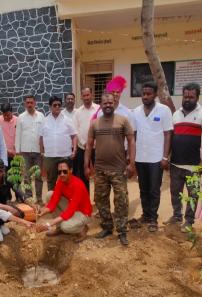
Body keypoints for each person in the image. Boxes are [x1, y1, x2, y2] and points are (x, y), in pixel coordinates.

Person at [85, 93, 136, 246]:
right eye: (105, 103)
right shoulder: (94, 123)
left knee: (121, 201)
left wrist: (131, 163)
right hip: (100, 169)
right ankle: (107, 227)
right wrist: (86, 165)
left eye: (110, 103)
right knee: (101, 200)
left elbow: (131, 141)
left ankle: (121, 231)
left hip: (118, 169)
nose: (108, 105)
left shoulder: (123, 120)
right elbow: (88, 145)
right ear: (101, 104)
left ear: (114, 103)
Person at [165, 82, 202, 232]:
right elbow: (171, 137)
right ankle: (177, 215)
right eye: (185, 96)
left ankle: (189, 221)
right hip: (176, 164)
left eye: (191, 97)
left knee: (192, 195)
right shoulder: (176, 114)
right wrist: (167, 157)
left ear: (197, 97)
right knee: (175, 193)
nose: (187, 99)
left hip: (193, 165)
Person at [131, 82, 173, 232]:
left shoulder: (164, 110)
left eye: (149, 94)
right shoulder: (135, 111)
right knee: (143, 189)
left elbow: (168, 134)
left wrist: (165, 157)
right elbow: (133, 136)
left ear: (155, 94)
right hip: (141, 157)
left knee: (154, 189)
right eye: (143, 94)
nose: (145, 96)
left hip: (156, 158)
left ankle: (153, 218)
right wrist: (132, 158)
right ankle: (146, 215)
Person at [36, 158, 92, 242]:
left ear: (71, 170)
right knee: (49, 195)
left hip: (83, 213)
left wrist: (49, 224)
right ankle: (59, 228)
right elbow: (53, 202)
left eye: (65, 171)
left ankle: (82, 228)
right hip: (73, 209)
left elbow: (69, 211)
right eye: (59, 172)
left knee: (65, 226)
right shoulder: (60, 181)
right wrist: (43, 211)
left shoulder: (78, 185)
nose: (62, 174)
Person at [40, 96, 77, 191]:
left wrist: (74, 150)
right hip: (50, 156)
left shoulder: (67, 120)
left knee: (66, 179)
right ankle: (52, 201)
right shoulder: (44, 121)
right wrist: (42, 152)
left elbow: (74, 136)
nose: (57, 107)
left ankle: (67, 200)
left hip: (65, 155)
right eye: (54, 105)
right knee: (51, 180)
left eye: (59, 105)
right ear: (50, 107)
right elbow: (41, 137)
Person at [15, 95, 44, 203]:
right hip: (25, 151)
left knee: (38, 176)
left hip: (38, 151)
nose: (29, 104)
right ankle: (29, 197)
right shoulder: (21, 117)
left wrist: (43, 150)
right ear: (25, 104)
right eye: (27, 103)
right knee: (26, 176)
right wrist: (18, 151)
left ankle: (39, 197)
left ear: (35, 103)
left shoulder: (41, 116)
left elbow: (43, 134)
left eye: (31, 102)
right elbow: (17, 134)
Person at [72, 87, 99, 192]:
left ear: (91, 95)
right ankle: (85, 200)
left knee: (99, 175)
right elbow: (76, 129)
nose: (86, 97)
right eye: (84, 95)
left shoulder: (98, 109)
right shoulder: (77, 112)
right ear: (81, 97)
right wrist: (83, 143)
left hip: (97, 148)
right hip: (82, 148)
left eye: (88, 95)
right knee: (84, 174)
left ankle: (98, 200)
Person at [0, 103, 17, 169]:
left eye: (8, 115)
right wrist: (6, 150)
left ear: (11, 112)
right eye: (4, 115)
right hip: (3, 154)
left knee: (16, 176)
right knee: (4, 174)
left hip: (16, 154)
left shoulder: (18, 120)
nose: (6, 117)